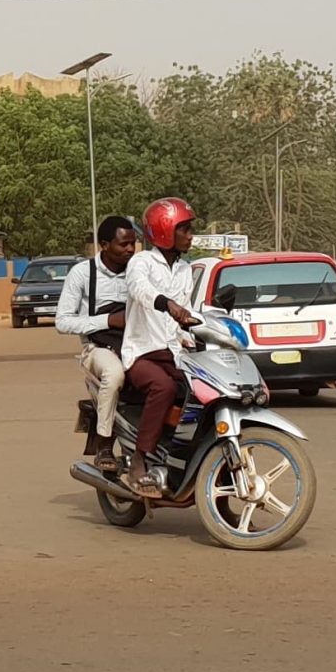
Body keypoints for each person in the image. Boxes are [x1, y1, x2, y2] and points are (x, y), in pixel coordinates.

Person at [122, 196, 205, 498]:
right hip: (142, 352)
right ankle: (139, 460)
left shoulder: (185, 269)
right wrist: (167, 304)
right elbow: (140, 290)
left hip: (175, 352)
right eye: (184, 229)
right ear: (165, 230)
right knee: (163, 388)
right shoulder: (140, 262)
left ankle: (182, 453)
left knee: (205, 391)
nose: (190, 235)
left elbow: (191, 309)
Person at [55, 216, 139, 474]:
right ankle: (104, 444)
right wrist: (109, 321)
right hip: (98, 349)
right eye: (123, 244)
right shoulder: (83, 273)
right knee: (114, 374)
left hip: (136, 344)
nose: (129, 250)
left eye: (133, 244)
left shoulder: (138, 271)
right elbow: (63, 322)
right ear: (104, 244)